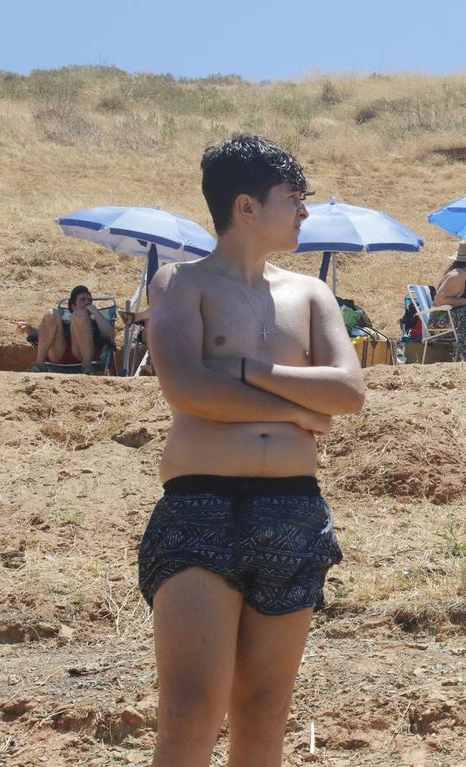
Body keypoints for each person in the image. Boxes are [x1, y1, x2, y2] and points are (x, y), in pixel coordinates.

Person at [138, 134, 365, 767]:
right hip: (199, 508)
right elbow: (186, 388)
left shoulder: (311, 295)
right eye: (292, 198)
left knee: (264, 717)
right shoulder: (180, 283)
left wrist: (241, 366)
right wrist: (298, 408)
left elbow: (348, 390)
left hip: (293, 510)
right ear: (246, 207)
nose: (303, 213)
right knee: (187, 713)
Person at [16, 284, 115, 372]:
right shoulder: (62, 323)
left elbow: (110, 335)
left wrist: (96, 313)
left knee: (80, 314)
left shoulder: (96, 322)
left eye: (89, 300)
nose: (87, 302)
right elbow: (44, 335)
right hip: (59, 354)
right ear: (73, 306)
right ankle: (39, 364)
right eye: (82, 299)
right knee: (51, 313)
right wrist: (28, 329)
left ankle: (86, 366)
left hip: (83, 355)